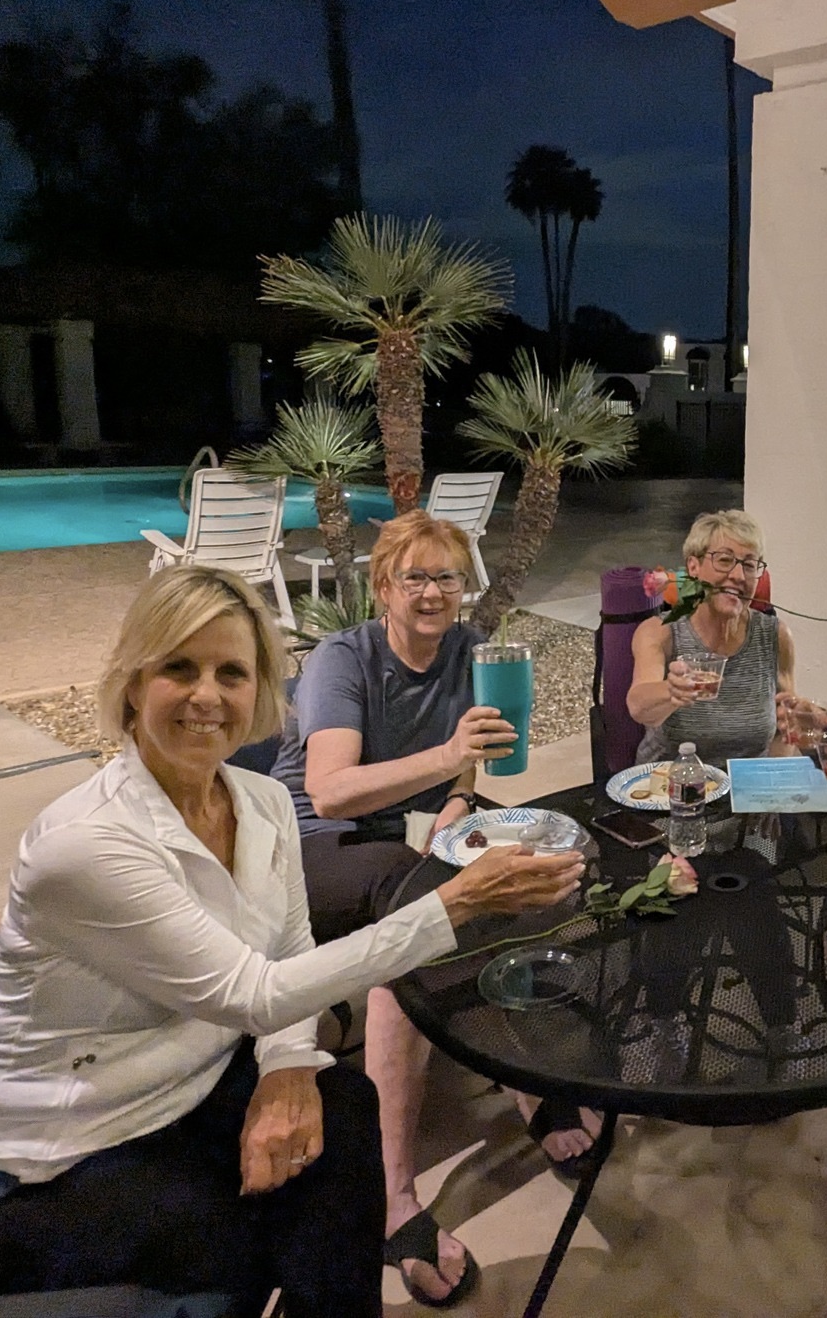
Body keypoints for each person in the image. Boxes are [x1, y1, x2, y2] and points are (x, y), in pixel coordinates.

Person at [0, 565, 583, 1318]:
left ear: (260, 691)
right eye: (179, 668)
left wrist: (288, 1066)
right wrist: (457, 902)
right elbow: (254, 994)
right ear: (132, 685)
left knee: (341, 1110)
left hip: (174, 1095)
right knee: (267, 1234)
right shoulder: (86, 844)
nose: (207, 695)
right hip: (21, 1169)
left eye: (232, 673)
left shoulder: (259, 802)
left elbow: (289, 945)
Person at [272, 512, 587, 1299]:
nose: (433, 591)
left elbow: (466, 770)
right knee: (416, 917)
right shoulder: (344, 659)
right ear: (384, 586)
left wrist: (458, 804)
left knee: (525, 870)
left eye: (447, 576)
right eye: (415, 576)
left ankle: (523, 1074)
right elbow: (329, 791)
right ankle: (394, 1196)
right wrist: (447, 760)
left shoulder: (470, 652)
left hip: (407, 838)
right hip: (313, 846)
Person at [629, 509, 797, 761]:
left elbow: (785, 729)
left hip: (745, 783)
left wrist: (771, 778)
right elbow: (638, 707)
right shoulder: (660, 632)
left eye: (749, 565)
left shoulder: (775, 636)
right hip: (672, 779)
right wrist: (672, 690)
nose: (738, 576)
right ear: (693, 567)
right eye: (724, 560)